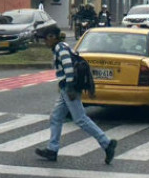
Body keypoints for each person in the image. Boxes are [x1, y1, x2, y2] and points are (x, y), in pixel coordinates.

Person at [35, 27, 117, 164]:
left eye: (45, 38)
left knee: (80, 119)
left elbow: (69, 68)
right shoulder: (62, 46)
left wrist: (71, 88)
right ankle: (52, 149)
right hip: (65, 88)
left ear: (52, 37)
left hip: (68, 88)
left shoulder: (60, 49)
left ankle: (107, 143)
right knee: (56, 117)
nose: (44, 41)